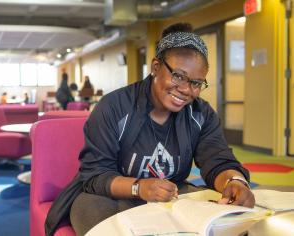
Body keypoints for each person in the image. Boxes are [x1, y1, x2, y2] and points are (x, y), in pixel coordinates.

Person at [45, 23, 255, 236]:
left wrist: (234, 181)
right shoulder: (114, 107)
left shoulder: (201, 114)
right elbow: (95, 175)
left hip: (169, 196)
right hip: (111, 197)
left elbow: (217, 159)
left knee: (230, 225)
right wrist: (139, 187)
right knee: (91, 212)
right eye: (178, 76)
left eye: (196, 83)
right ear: (156, 67)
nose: (186, 90)